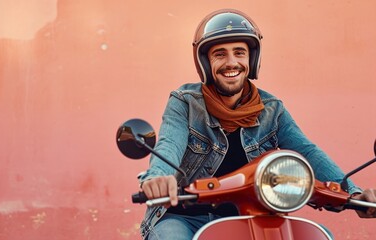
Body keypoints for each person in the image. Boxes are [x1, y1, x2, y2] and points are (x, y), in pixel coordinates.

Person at [137, 9, 376, 239]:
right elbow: (169, 144)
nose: (231, 62)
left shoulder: (272, 110)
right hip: (185, 218)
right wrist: (158, 178)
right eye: (220, 54)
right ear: (205, 63)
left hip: (250, 219)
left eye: (239, 52)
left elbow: (307, 151)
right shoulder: (185, 103)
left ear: (252, 59)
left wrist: (354, 193)